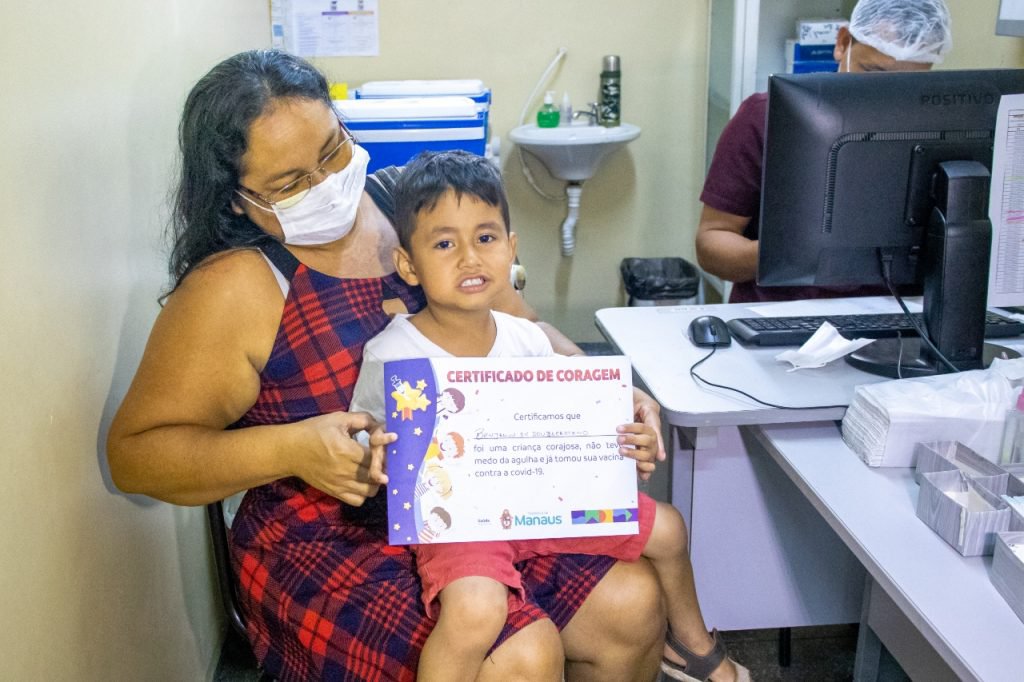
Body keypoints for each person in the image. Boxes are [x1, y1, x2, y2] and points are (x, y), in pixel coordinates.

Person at [105, 49, 673, 681]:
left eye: (332, 151)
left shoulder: (406, 205)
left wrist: (596, 394)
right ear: (237, 201)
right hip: (329, 540)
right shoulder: (234, 287)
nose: (327, 186)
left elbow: (523, 326)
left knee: (635, 602)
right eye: (291, 184)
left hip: (475, 500)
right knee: (519, 653)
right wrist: (293, 449)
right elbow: (137, 455)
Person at [349, 150, 749, 682]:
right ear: (408, 265)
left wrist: (626, 434)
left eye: (486, 238)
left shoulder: (529, 340)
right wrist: (373, 451)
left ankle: (695, 652)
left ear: (511, 250)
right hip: (461, 524)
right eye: (444, 243)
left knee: (670, 529)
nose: (469, 257)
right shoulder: (394, 354)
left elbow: (583, 420)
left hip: (544, 503)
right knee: (476, 610)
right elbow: (362, 441)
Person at [696, 0, 952, 303]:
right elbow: (712, 245)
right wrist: (788, 254)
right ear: (843, 44)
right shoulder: (767, 117)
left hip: (898, 319)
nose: (883, 95)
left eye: (906, 85)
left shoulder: (944, 128)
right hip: (782, 318)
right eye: (872, 72)